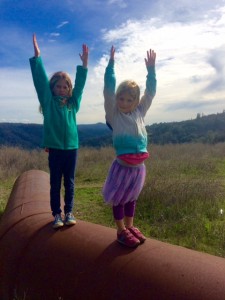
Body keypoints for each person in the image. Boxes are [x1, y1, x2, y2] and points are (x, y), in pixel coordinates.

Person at [29, 34, 88, 229]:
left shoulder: (73, 104)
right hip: (55, 148)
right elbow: (40, 83)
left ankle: (69, 211)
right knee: (55, 183)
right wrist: (37, 58)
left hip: (72, 148)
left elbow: (79, 88)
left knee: (69, 182)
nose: (62, 89)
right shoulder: (48, 103)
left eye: (65, 86)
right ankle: (56, 214)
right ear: (53, 88)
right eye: (58, 86)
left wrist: (84, 67)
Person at [103, 46, 156, 248]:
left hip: (138, 168)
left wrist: (151, 71)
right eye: (121, 98)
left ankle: (130, 226)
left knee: (131, 199)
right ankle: (121, 230)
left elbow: (150, 93)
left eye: (129, 99)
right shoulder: (114, 115)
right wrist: (110, 66)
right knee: (119, 199)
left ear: (135, 101)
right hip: (122, 168)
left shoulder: (140, 112)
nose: (124, 102)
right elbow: (108, 90)